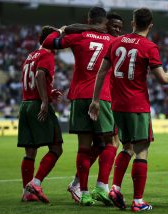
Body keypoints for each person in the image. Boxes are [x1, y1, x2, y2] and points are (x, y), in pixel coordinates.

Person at [88, 7, 168, 211]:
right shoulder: (149, 46)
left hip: (117, 105)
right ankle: (138, 201)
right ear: (150, 25)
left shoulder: (115, 42)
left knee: (127, 147)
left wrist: (96, 100)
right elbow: (162, 79)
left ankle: (114, 188)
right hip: (137, 105)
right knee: (141, 151)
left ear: (133, 22)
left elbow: (101, 72)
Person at [42, 7, 118, 206]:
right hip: (101, 96)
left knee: (84, 147)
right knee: (111, 143)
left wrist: (61, 30)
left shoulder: (79, 36)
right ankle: (101, 187)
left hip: (78, 96)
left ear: (89, 19)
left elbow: (47, 42)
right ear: (106, 22)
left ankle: (83, 192)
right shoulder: (112, 41)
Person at [18, 26, 63, 203]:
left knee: (30, 151)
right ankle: (35, 183)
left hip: (25, 104)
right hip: (37, 104)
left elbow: (33, 79)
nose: (59, 43)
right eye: (56, 39)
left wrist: (49, 92)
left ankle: (26, 192)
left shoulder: (30, 56)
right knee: (56, 148)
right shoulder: (47, 54)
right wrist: (45, 100)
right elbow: (39, 76)